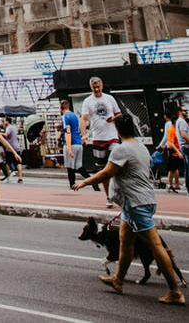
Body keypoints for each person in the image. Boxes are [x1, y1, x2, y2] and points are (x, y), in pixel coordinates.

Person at [73, 113, 184, 305]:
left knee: (156, 246)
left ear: (117, 131)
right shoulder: (141, 147)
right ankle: (118, 279)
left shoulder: (121, 150)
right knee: (125, 242)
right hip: (138, 203)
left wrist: (85, 182)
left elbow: (106, 173)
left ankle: (175, 291)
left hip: (136, 204)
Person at [80, 75, 122, 208]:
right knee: (103, 170)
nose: (97, 89)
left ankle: (120, 193)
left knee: (117, 166)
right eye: (94, 87)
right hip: (98, 138)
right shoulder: (88, 101)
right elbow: (84, 118)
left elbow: (119, 114)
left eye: (98, 87)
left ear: (102, 86)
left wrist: (113, 118)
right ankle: (109, 196)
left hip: (112, 136)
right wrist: (84, 135)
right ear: (91, 87)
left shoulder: (109, 98)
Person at [60, 100, 92, 190]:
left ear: (61, 108)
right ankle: (92, 181)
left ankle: (72, 185)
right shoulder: (74, 115)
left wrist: (69, 148)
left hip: (71, 143)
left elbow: (68, 132)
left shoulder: (65, 116)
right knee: (79, 166)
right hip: (78, 143)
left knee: (70, 166)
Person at [158, 103, 184, 193]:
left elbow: (167, 138)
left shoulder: (169, 126)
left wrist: (161, 145)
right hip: (177, 148)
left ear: (165, 116)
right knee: (176, 168)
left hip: (172, 149)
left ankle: (170, 185)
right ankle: (176, 184)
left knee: (170, 168)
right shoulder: (176, 128)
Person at [0, 118, 24, 183]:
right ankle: (20, 177)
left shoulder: (9, 127)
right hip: (17, 147)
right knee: (18, 163)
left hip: (10, 148)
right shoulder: (14, 127)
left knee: (7, 162)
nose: (3, 122)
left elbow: (6, 134)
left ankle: (8, 176)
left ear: (7, 122)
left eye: (4, 121)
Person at [177, 104, 189, 194]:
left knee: (187, 168)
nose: (186, 112)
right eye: (184, 111)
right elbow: (184, 135)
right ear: (180, 112)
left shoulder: (179, 121)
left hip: (183, 147)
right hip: (186, 146)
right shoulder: (182, 122)